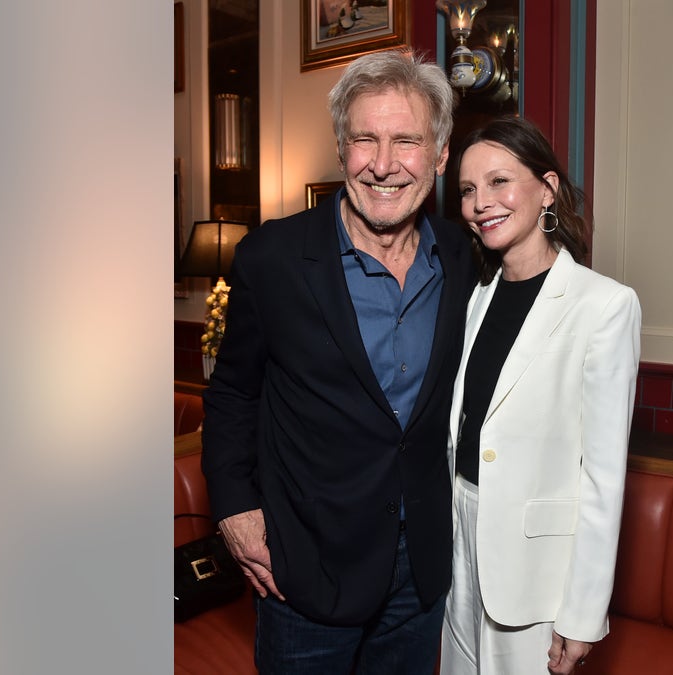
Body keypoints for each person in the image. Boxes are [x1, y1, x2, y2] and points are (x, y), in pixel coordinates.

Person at [200, 50, 475, 674]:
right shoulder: (272, 257)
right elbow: (233, 395)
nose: (383, 164)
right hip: (305, 564)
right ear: (339, 149)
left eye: (406, 140)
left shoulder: (463, 258)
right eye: (364, 140)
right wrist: (235, 510)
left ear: (439, 155)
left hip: (422, 568)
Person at [439, 116, 642, 675]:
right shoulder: (475, 299)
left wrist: (582, 613)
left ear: (546, 188)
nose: (482, 202)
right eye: (467, 190)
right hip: (458, 553)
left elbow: (604, 478)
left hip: (536, 577)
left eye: (500, 182)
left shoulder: (604, 305)